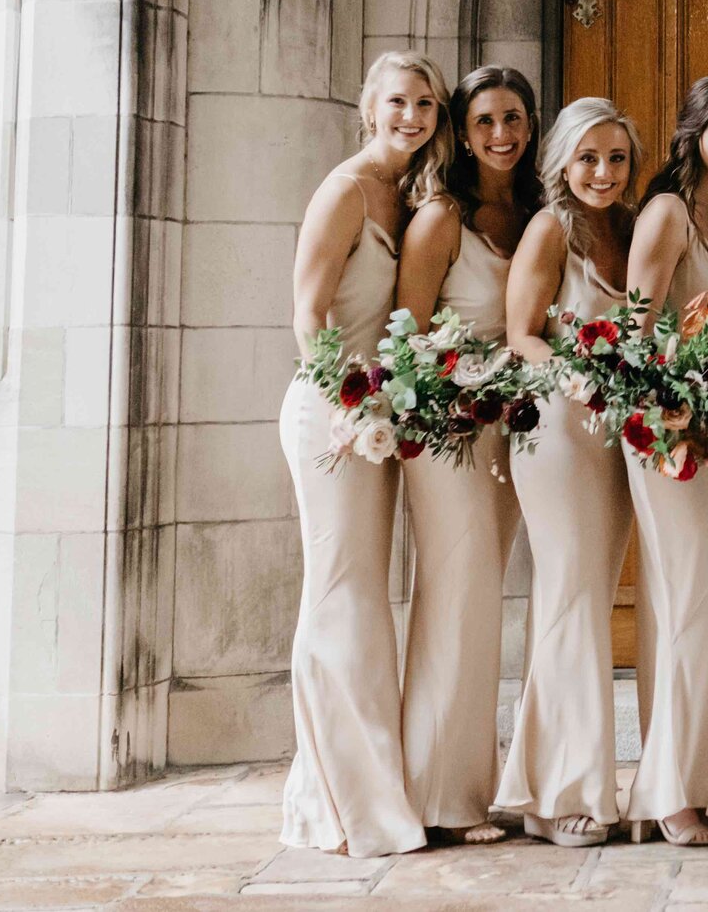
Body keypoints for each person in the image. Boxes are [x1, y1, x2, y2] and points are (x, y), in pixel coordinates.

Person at [277, 50, 447, 858]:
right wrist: (346, 403)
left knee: (363, 597)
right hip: (329, 414)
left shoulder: (409, 192)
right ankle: (348, 804)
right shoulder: (344, 190)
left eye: (426, 104)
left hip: (374, 413)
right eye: (398, 101)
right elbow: (308, 313)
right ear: (368, 106)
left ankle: (348, 788)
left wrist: (385, 403)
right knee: (339, 593)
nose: (411, 116)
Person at [389, 65, 539, 843]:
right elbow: (404, 339)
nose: (501, 134)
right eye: (485, 120)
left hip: (512, 427)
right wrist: (455, 396)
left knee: (483, 598)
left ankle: (468, 785)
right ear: (462, 130)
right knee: (456, 590)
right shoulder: (440, 218)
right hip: (446, 431)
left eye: (513, 117)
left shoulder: (539, 212)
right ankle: (438, 798)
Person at [621, 75, 708, 845]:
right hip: (664, 431)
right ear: (694, 132)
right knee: (695, 600)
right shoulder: (668, 212)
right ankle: (673, 793)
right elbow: (635, 331)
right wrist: (674, 413)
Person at [499, 96, 643, 846]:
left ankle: (546, 783)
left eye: (616, 158)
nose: (603, 172)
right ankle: (565, 793)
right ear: (562, 160)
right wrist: (577, 380)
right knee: (570, 598)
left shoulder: (631, 226)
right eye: (589, 157)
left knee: (586, 596)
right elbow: (522, 335)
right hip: (558, 427)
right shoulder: (549, 228)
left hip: (617, 435)